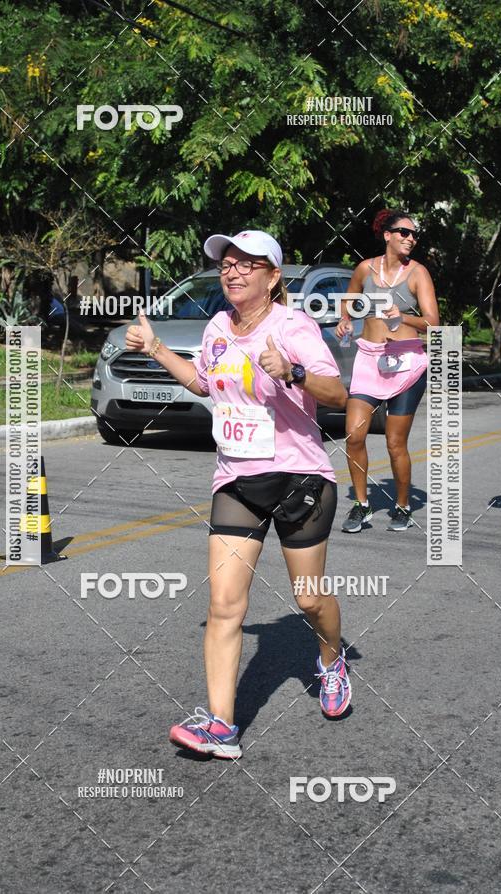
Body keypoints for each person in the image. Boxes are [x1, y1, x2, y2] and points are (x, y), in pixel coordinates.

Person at [125, 230, 349, 759]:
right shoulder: (216, 327)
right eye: (227, 264)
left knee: (310, 598)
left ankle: (331, 658)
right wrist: (156, 348)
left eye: (248, 264)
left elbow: (336, 392)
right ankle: (221, 726)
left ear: (273, 277)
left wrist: (291, 372)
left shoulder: (294, 327)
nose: (233, 271)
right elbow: (204, 385)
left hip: (300, 478)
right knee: (225, 606)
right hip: (236, 482)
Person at [335, 209, 440, 533]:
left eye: (414, 235)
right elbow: (349, 300)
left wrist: (402, 317)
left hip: (406, 362)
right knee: (354, 434)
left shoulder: (418, 273)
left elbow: (433, 323)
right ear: (387, 235)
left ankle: (403, 505)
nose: (411, 239)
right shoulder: (365, 269)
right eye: (404, 233)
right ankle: (361, 505)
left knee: (396, 443)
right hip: (369, 359)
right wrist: (345, 320)